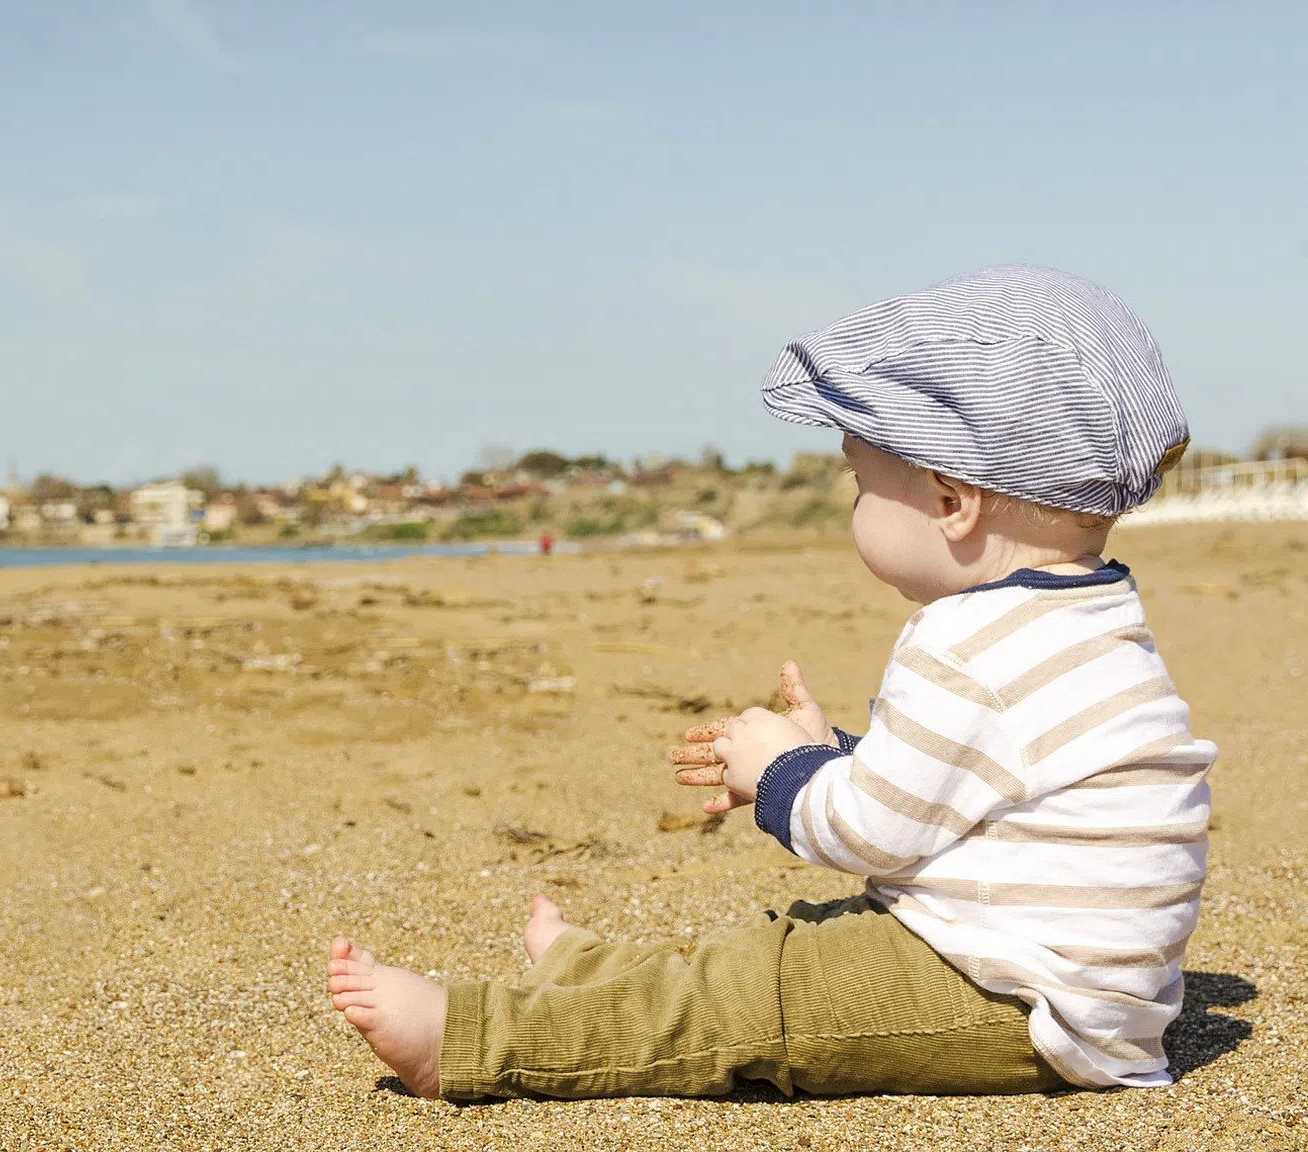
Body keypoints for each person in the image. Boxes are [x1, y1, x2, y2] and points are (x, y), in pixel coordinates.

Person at [325, 265, 1216, 1100]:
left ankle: (473, 1039)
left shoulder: (964, 641)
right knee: (788, 943)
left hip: (1016, 1002)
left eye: (863, 484)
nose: (855, 505)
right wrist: (838, 755)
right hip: (1080, 989)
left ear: (952, 501)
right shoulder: (1093, 618)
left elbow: (872, 834)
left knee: (757, 996)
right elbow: (973, 790)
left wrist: (782, 777)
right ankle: (591, 974)